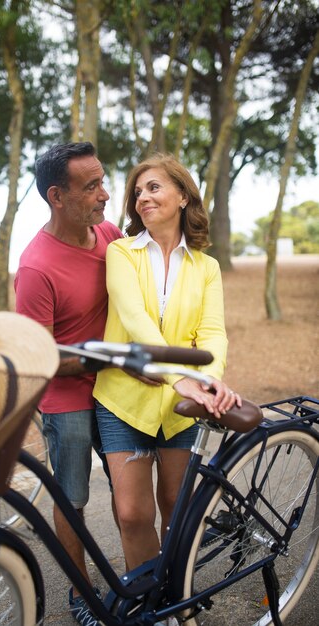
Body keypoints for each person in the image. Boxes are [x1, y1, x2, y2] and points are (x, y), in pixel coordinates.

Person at [93, 153, 242, 574]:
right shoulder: (121, 253)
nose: (142, 197)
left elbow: (213, 333)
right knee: (132, 514)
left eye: (154, 187)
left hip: (183, 408)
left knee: (178, 507)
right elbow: (135, 317)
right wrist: (180, 377)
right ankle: (148, 609)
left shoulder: (206, 267)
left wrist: (208, 381)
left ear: (182, 196)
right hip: (123, 399)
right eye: (137, 192)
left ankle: (175, 598)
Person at [14, 142, 123, 626]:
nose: (105, 194)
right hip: (68, 400)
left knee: (131, 490)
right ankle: (81, 596)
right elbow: (39, 357)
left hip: (117, 390)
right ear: (57, 196)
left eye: (103, 180)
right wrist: (104, 359)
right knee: (73, 500)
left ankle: (143, 575)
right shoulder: (36, 267)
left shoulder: (108, 234)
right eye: (92, 186)